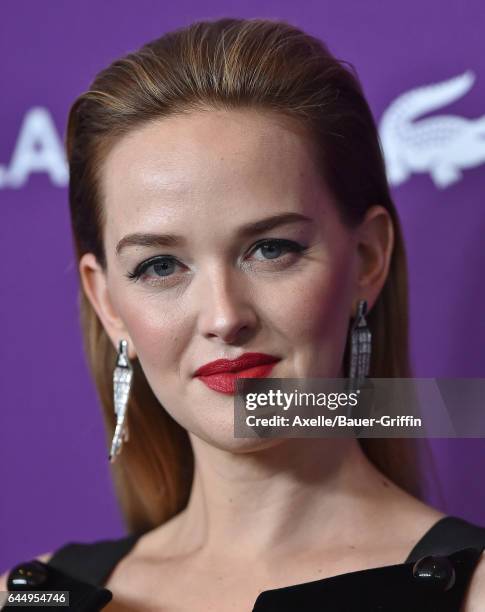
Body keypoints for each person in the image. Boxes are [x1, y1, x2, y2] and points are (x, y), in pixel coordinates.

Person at [2, 17, 485, 611]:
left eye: (271, 249)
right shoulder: (34, 598)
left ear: (366, 258)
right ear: (107, 302)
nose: (224, 317)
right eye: (159, 266)